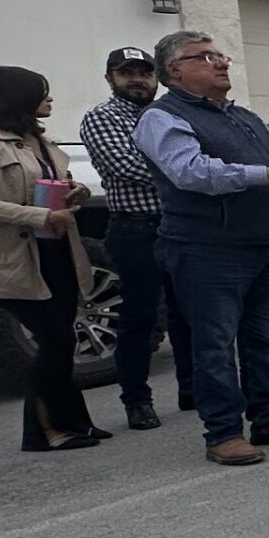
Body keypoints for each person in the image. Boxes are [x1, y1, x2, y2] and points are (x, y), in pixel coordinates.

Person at [135, 32, 269, 466]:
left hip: (267, 243)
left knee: (267, 342)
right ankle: (223, 432)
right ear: (174, 70)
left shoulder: (244, 116)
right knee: (216, 345)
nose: (220, 63)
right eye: (205, 57)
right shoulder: (162, 117)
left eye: (220, 55)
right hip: (208, 249)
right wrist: (267, 176)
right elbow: (190, 171)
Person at [0, 66, 105, 453]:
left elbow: (53, 182)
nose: (51, 100)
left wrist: (75, 191)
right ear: (17, 96)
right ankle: (44, 430)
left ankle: (76, 422)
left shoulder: (40, 140)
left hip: (57, 249)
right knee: (53, 339)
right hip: (14, 255)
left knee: (63, 337)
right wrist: (40, 216)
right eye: (43, 93)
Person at [77, 45, 194, 429]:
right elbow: (127, 165)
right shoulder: (102, 117)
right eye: (127, 72)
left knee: (188, 313)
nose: (137, 79)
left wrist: (189, 166)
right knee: (139, 317)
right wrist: (185, 169)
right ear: (110, 78)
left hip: (179, 224)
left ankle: (193, 389)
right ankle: (136, 400)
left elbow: (200, 154)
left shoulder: (171, 112)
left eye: (144, 72)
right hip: (135, 228)